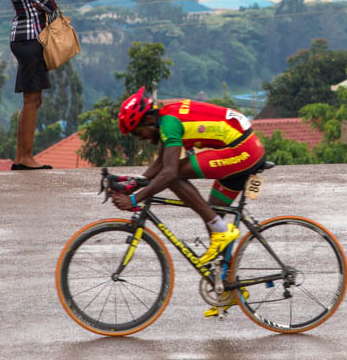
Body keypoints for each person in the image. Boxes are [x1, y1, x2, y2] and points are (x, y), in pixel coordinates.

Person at [112, 87, 266, 316]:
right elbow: (159, 164)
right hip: (242, 148)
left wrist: (134, 199)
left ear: (148, 119)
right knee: (212, 213)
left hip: (241, 150)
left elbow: (169, 171)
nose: (141, 139)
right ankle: (231, 290)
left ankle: (221, 231)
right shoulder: (165, 120)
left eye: (138, 132)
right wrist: (132, 184)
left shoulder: (169, 123)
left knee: (175, 178)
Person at [6, 0, 58, 170]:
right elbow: (49, 3)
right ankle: (26, 157)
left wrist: (44, 2)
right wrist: (45, 2)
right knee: (31, 99)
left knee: (33, 100)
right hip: (28, 39)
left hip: (27, 39)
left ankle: (20, 156)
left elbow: (45, 1)